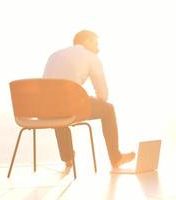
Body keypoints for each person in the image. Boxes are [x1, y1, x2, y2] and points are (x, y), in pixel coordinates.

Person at [43, 30, 135, 169]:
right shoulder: (91, 57)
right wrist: (93, 99)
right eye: (96, 43)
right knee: (108, 109)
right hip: (70, 107)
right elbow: (103, 96)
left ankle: (67, 158)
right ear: (86, 41)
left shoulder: (54, 55)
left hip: (47, 109)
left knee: (58, 104)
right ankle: (116, 158)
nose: (98, 47)